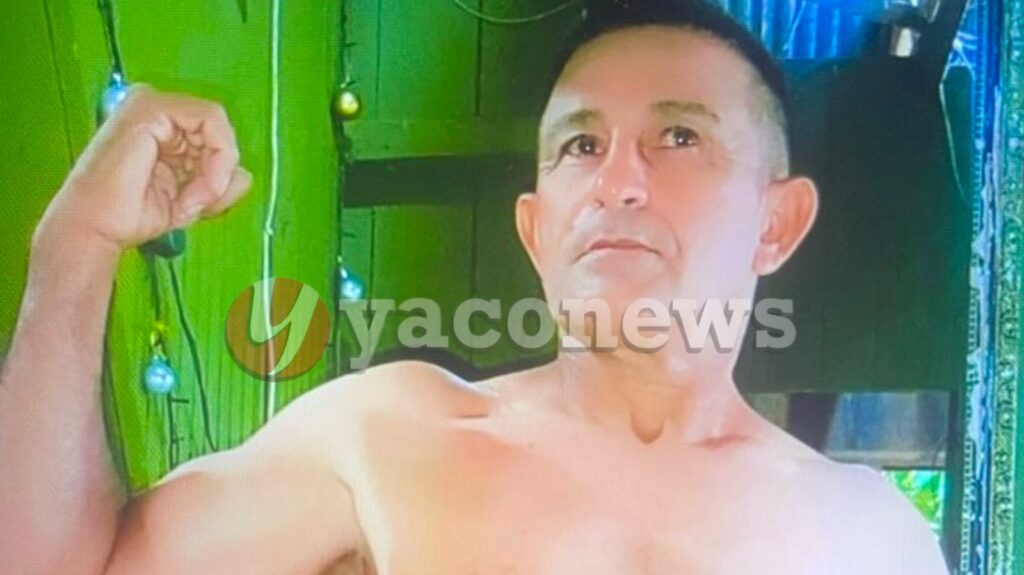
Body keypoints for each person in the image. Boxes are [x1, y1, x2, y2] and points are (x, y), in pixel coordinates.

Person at [0, 1, 949, 573]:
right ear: (536, 230)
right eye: (581, 144)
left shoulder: (869, 538)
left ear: (777, 223)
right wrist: (74, 246)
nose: (617, 180)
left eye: (679, 136)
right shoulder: (389, 437)